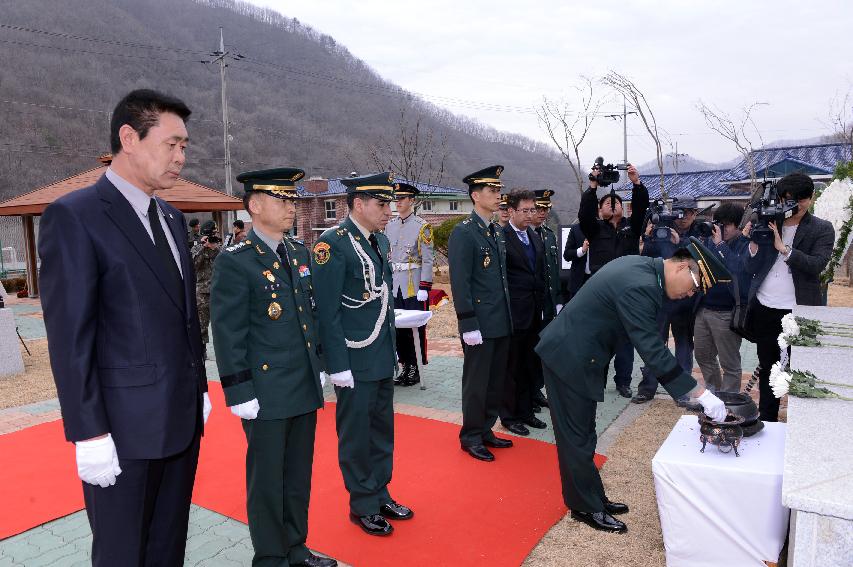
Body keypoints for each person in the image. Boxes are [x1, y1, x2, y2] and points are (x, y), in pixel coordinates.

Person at [38, 89, 211, 565]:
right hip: (121, 430)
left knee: (167, 545)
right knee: (121, 553)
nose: (180, 157)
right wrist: (88, 433)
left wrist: (198, 388)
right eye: (171, 144)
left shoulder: (173, 219)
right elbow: (71, 338)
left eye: (185, 147)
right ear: (129, 138)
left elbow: (184, 315)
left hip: (180, 419)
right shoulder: (76, 216)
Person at [536, 238, 729, 533]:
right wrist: (699, 393)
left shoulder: (644, 269)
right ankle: (584, 506)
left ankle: (592, 496)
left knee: (584, 433)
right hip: (569, 358)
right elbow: (651, 346)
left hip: (582, 355)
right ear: (680, 266)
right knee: (576, 437)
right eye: (692, 286)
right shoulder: (641, 285)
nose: (689, 294)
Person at [211, 168, 337, 567]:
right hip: (265, 390)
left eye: (292, 200)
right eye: (282, 200)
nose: (291, 208)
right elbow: (228, 332)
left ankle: (296, 548)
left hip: (301, 382)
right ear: (255, 205)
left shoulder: (298, 252)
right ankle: (269, 557)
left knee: (298, 474)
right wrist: (238, 390)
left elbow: (308, 315)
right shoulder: (237, 261)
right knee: (267, 479)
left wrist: (317, 364)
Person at [311, 172, 413, 537]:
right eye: (381, 204)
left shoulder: (380, 242)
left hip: (380, 355)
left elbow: (380, 299)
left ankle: (380, 491)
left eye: (389, 203)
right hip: (353, 359)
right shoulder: (332, 244)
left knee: (382, 431)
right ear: (358, 204)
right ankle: (362, 504)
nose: (389, 210)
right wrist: (336, 365)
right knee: (356, 434)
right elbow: (327, 310)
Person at [745, 172, 834, 421]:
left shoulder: (822, 228)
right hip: (765, 306)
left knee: (800, 369)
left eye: (800, 200)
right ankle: (768, 419)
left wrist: (785, 249)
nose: (794, 205)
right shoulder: (769, 220)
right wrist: (752, 247)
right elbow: (750, 268)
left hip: (799, 309)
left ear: (811, 198)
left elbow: (817, 264)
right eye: (788, 200)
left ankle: (801, 421)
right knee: (769, 368)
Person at [449, 165, 515, 462]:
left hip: (500, 319)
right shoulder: (464, 232)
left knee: (495, 380)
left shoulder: (497, 231)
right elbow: (460, 281)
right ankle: (471, 435)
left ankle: (486, 428)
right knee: (476, 382)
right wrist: (467, 322)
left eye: (499, 190)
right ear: (476, 196)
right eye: (492, 190)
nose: (498, 194)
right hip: (479, 323)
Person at [578, 163, 649, 399]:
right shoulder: (595, 229)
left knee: (626, 341)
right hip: (601, 293)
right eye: (607, 202)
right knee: (599, 341)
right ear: (599, 211)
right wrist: (593, 186)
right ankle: (596, 381)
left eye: (616, 202)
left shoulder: (631, 229)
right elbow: (584, 213)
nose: (612, 203)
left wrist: (636, 183)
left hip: (627, 292)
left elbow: (641, 209)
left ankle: (624, 381)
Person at [633, 195, 703, 405]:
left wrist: (679, 242)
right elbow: (647, 257)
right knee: (655, 343)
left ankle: (682, 390)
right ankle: (647, 388)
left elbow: (700, 259)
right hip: (661, 296)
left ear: (694, 214)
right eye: (679, 211)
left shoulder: (700, 231)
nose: (682, 217)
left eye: (688, 212)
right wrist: (648, 238)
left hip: (686, 299)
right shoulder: (660, 228)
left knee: (683, 344)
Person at [499, 189, 547, 436]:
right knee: (511, 367)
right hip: (512, 313)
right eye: (525, 210)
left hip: (533, 313)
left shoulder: (535, 237)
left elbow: (538, 275)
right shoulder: (501, 238)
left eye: (533, 210)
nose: (530, 215)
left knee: (530, 365)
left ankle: (527, 411)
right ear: (511, 211)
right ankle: (509, 416)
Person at [693, 203, 752, 393]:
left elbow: (737, 271)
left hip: (727, 313)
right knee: (703, 356)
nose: (721, 229)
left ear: (738, 226)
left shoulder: (744, 244)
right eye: (718, 223)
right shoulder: (710, 240)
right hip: (704, 309)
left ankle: (730, 403)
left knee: (730, 364)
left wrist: (720, 245)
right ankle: (714, 395)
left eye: (726, 225)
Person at [386, 181, 434, 387]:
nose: (398, 202)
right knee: (397, 328)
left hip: (413, 285)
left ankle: (416, 366)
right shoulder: (390, 225)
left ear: (412, 201)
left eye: (402, 199)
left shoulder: (422, 227)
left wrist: (425, 286)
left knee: (416, 327)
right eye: (396, 199)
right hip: (395, 283)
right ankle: (405, 364)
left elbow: (428, 259)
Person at [530, 188, 560, 409]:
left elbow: (554, 270)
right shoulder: (525, 235)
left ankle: (538, 388)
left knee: (545, 346)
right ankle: (530, 390)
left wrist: (557, 298)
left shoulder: (549, 234)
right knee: (530, 348)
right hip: (532, 304)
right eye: (539, 208)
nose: (542, 213)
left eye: (546, 209)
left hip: (548, 302)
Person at [192, 220, 221, 357]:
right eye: (213, 233)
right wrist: (204, 247)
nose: (215, 235)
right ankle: (201, 351)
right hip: (202, 293)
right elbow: (193, 266)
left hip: (218, 292)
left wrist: (216, 248)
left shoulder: (219, 247)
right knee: (202, 325)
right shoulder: (197, 248)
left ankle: (224, 349)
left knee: (222, 324)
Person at [562, 222, 588, 301]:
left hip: (598, 279)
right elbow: (567, 255)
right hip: (578, 282)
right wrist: (582, 250)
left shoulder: (603, 228)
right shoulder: (576, 229)